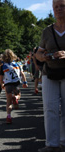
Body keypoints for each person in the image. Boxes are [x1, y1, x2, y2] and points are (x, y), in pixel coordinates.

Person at [36, 0, 65, 151]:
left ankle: (64, 142)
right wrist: (43, 57)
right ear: (53, 10)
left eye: (62, 6)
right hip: (50, 73)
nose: (59, 9)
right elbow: (38, 52)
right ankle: (52, 145)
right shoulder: (47, 31)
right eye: (56, 7)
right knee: (50, 108)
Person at [0, 49, 28, 124]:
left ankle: (8, 116)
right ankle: (16, 98)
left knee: (8, 102)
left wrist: (2, 84)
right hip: (16, 83)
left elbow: (1, 78)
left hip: (8, 84)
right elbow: (22, 74)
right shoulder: (17, 64)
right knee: (19, 95)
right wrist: (25, 82)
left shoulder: (3, 66)